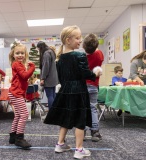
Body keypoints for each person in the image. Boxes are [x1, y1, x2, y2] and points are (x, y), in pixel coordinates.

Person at [44, 25, 101, 159]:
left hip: (65, 90)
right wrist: (96, 73)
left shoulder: (60, 58)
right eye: (77, 38)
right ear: (68, 40)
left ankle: (60, 144)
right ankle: (79, 149)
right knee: (80, 119)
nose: (80, 40)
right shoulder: (79, 54)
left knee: (66, 118)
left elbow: (62, 78)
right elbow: (85, 73)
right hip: (78, 91)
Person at [8, 42, 35, 149]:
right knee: (24, 115)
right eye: (17, 53)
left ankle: (13, 136)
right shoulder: (17, 64)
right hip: (16, 93)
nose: (20, 55)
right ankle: (19, 138)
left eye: (22, 53)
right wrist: (32, 67)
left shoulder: (19, 64)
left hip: (15, 92)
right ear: (13, 54)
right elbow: (24, 76)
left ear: (25, 54)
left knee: (18, 115)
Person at [83, 33, 104, 142]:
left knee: (84, 109)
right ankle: (95, 132)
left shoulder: (82, 57)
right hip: (94, 85)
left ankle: (83, 132)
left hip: (83, 86)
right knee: (93, 108)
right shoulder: (100, 54)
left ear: (83, 46)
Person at [36, 41, 58, 110]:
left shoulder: (46, 53)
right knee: (53, 95)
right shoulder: (51, 51)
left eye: (39, 49)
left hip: (48, 78)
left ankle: (51, 113)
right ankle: (54, 112)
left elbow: (46, 67)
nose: (39, 50)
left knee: (50, 96)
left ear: (40, 47)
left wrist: (42, 78)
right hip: (54, 77)